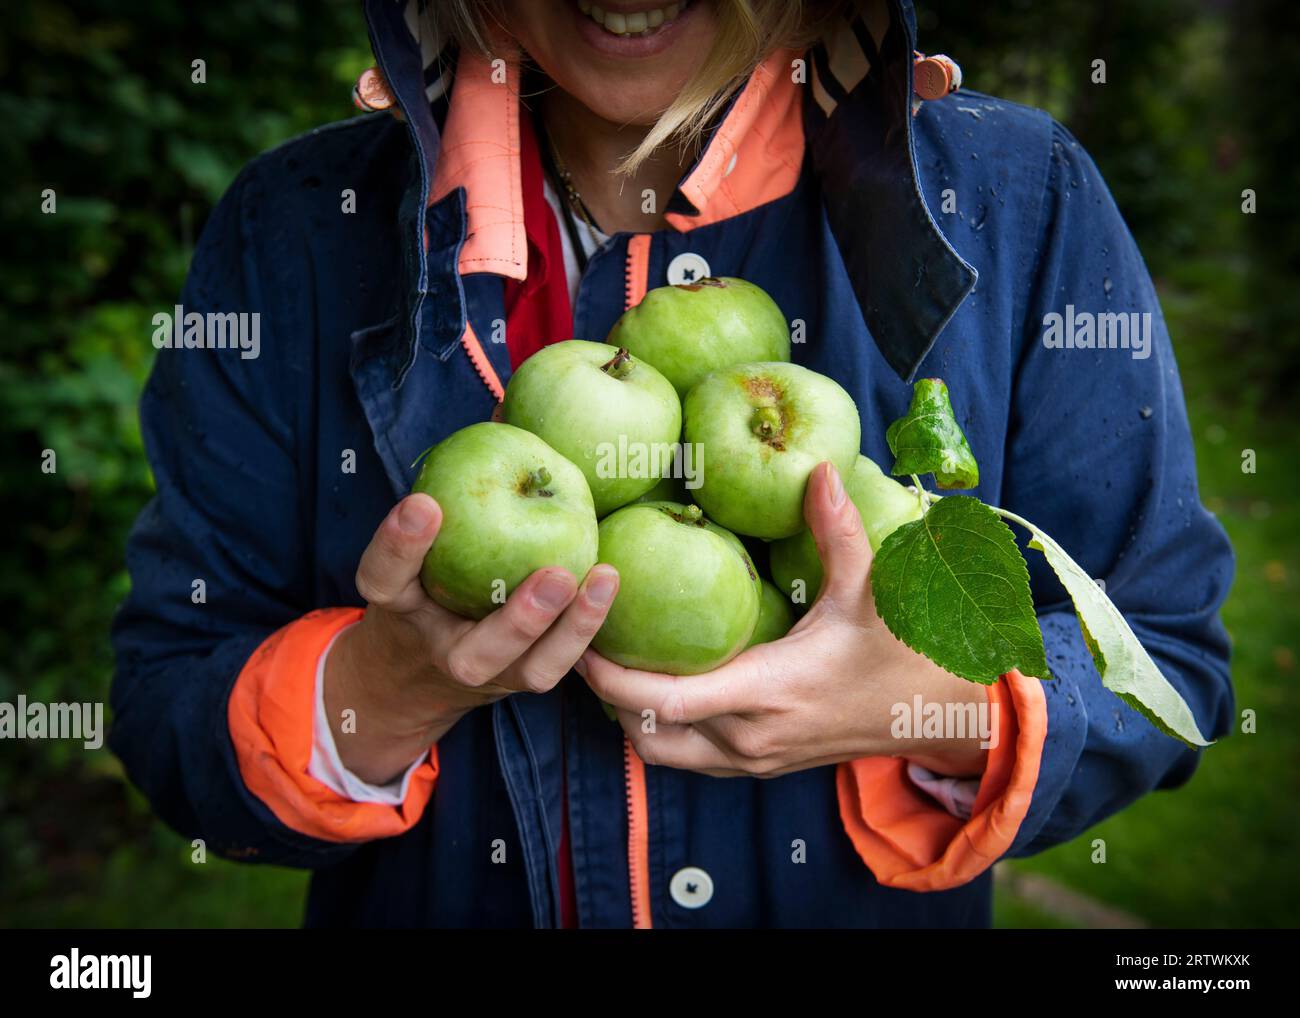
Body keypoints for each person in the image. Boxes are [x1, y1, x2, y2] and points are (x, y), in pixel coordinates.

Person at [110, 0, 1234, 928]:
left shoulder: (1014, 203)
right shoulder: (297, 232)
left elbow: (1165, 662)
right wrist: (385, 691)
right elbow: (168, 709)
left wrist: (931, 704)